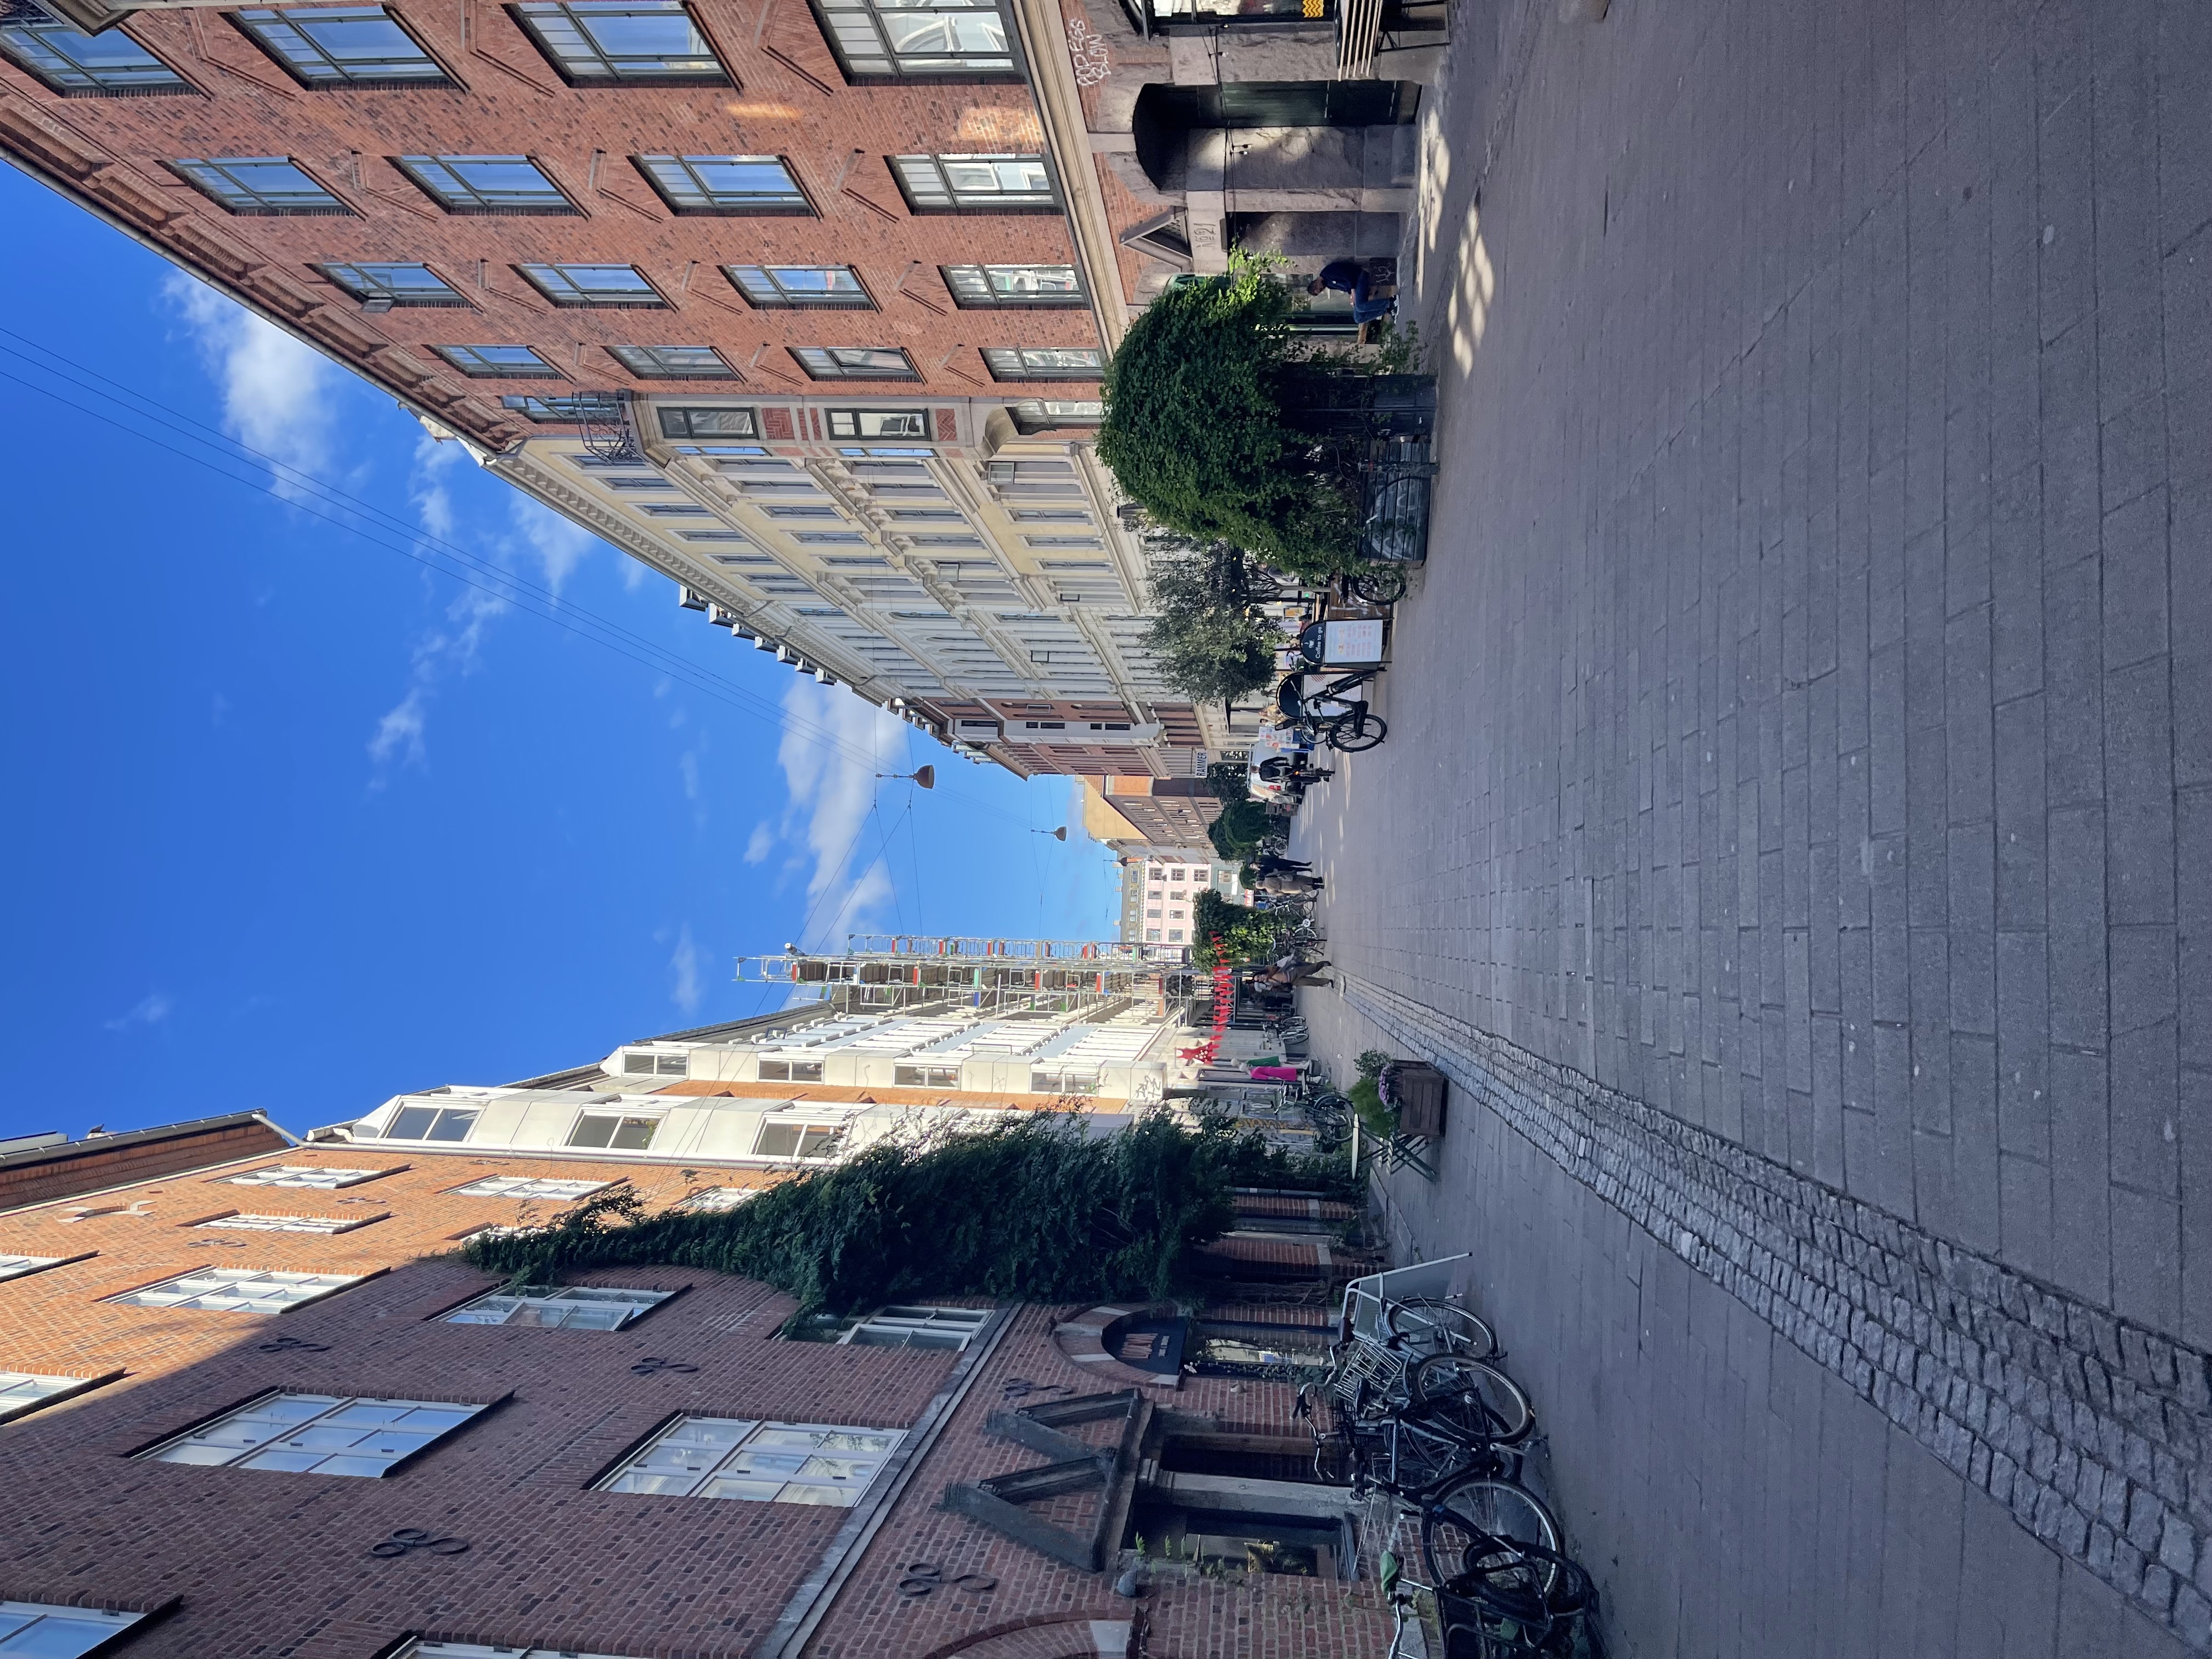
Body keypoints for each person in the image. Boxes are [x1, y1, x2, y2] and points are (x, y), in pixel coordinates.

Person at [1308, 258, 1395, 326]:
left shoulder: (1327, 273)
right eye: (1321, 291)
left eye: (1320, 289)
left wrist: (1353, 292)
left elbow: (1348, 277)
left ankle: (1390, 302)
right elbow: (1346, 289)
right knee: (1358, 318)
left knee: (1360, 307)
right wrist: (1352, 297)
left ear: (1316, 283)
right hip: (1356, 287)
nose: (1322, 289)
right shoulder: (1329, 285)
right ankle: (1386, 309)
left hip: (1359, 277)